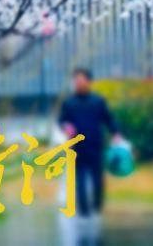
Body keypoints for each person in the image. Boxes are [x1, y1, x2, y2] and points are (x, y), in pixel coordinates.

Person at [57, 68, 121, 222]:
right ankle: (83, 212)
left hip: (95, 145)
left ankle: (97, 208)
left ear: (89, 81)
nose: (78, 83)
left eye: (81, 79)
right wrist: (66, 126)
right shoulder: (69, 102)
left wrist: (116, 133)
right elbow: (61, 120)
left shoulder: (98, 101)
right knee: (79, 180)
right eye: (76, 80)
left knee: (98, 179)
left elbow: (108, 119)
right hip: (77, 147)